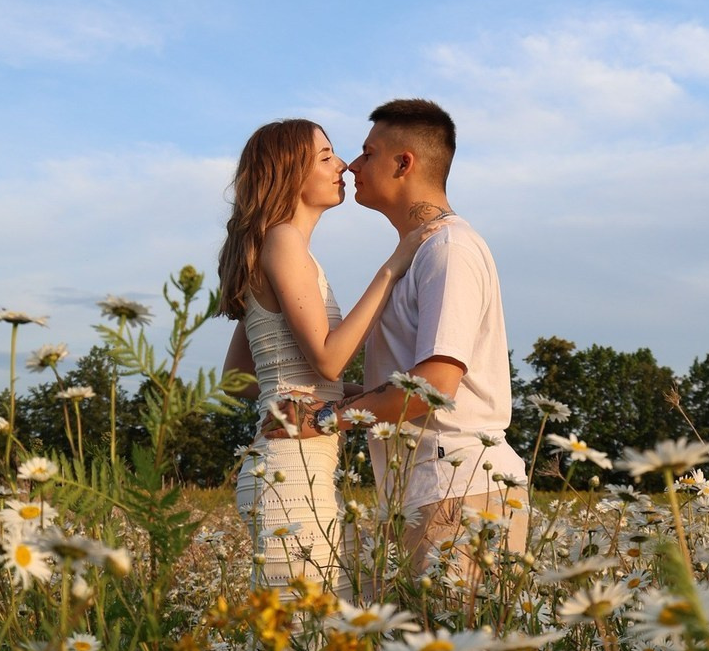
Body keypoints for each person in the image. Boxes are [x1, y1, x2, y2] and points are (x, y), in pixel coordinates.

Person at [268, 99, 529, 598]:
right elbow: (408, 379)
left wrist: (322, 418)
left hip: (459, 491)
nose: (351, 164)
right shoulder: (424, 253)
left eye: (367, 153)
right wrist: (326, 392)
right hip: (426, 491)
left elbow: (433, 387)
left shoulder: (448, 251)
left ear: (403, 163)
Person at [218, 118, 441, 594]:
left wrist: (325, 397)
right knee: (305, 645)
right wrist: (393, 267)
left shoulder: (277, 247)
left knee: (301, 643)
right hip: (289, 472)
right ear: (288, 173)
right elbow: (327, 360)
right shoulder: (282, 242)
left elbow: (236, 377)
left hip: (288, 464)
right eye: (326, 157)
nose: (342, 164)